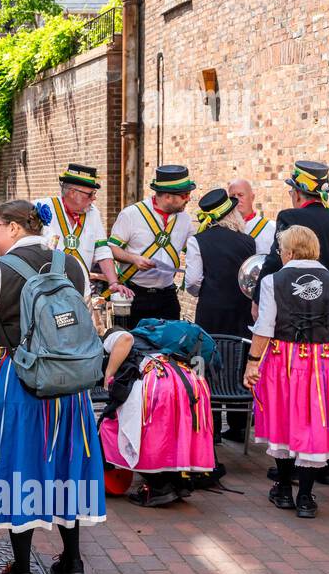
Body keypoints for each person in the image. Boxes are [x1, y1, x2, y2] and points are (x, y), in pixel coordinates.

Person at [0, 199, 104, 574]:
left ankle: (23, 570)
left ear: (13, 228)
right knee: (67, 460)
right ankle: (73, 560)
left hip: (20, 377)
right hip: (70, 380)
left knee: (19, 461)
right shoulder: (73, 264)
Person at [254, 160, 329, 485]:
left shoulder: (291, 219)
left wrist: (257, 302)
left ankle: (289, 466)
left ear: (299, 191)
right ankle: (327, 465)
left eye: (291, 190)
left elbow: (275, 265)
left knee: (296, 398)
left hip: (293, 333)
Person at [246, 225, 329, 518]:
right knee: (313, 422)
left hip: (283, 358)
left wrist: (252, 361)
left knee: (284, 419)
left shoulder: (273, 281)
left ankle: (283, 489)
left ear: (289, 252)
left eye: (282, 249)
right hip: (323, 359)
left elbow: (265, 327)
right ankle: (307, 498)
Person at [99, 325, 216, 507]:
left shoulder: (116, 336)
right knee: (174, 435)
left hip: (159, 382)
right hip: (188, 381)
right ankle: (178, 482)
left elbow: (125, 339)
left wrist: (109, 373)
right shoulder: (154, 339)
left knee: (140, 434)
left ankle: (159, 487)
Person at [185, 188, 257, 442]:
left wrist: (203, 291)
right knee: (238, 362)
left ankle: (211, 427)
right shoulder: (248, 242)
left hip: (211, 311)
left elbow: (192, 281)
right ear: (232, 214)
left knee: (209, 363)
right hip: (241, 311)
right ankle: (238, 425)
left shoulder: (198, 241)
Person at [108, 165, 196, 326]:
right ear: (169, 197)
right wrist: (134, 259)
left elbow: (194, 251)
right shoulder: (131, 214)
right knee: (133, 345)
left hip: (167, 295)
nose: (188, 199)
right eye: (185, 195)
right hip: (134, 293)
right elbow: (111, 249)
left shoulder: (185, 220)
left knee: (172, 346)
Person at [35, 164, 132, 299]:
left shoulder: (93, 213)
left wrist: (113, 282)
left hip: (81, 291)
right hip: (46, 292)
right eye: (90, 194)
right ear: (72, 192)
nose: (94, 198)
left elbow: (102, 250)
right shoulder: (41, 208)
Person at [229, 178, 277, 255]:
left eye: (240, 195)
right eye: (232, 196)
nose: (236, 199)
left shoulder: (271, 228)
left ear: (252, 197)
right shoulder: (225, 229)